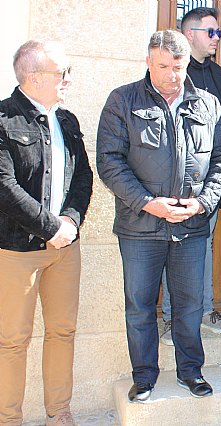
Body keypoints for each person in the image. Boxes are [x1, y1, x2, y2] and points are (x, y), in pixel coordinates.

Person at [96, 30, 221, 402]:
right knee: (140, 306)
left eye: (179, 66)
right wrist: (146, 202)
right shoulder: (122, 100)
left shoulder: (207, 103)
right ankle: (144, 377)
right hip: (140, 226)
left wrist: (204, 202)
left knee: (190, 305)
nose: (172, 74)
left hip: (191, 226)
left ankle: (192, 372)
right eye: (163, 66)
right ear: (148, 62)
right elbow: (109, 162)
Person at [0, 40, 93, 425]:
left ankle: (59, 414)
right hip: (17, 252)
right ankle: (9, 418)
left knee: (62, 332)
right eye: (62, 72)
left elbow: (83, 177)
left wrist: (69, 222)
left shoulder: (66, 121)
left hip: (64, 250)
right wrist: (50, 227)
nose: (68, 79)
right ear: (34, 77)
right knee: (12, 342)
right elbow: (5, 187)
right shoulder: (4, 120)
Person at [158, 6, 221, 346]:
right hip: (168, 185)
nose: (217, 38)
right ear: (189, 35)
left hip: (208, 188)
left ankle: (204, 312)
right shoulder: (170, 77)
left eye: (218, 32)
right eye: (211, 32)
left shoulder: (220, 79)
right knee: (168, 251)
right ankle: (171, 318)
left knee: (201, 249)